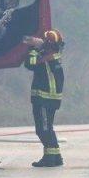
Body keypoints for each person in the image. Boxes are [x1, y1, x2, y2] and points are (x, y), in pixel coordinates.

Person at [24, 29, 65, 167]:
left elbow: (30, 64)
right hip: (51, 100)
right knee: (48, 128)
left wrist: (34, 48)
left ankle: (49, 158)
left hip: (43, 100)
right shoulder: (54, 56)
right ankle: (56, 156)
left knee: (43, 129)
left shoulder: (45, 59)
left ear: (48, 44)